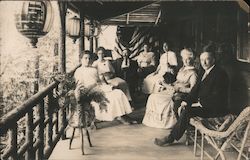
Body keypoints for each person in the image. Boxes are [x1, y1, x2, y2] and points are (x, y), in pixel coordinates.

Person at [154, 48, 230, 146]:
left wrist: (198, 103)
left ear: (213, 59)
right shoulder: (204, 71)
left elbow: (218, 97)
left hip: (214, 108)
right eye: (202, 60)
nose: (204, 62)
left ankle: (170, 138)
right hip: (204, 104)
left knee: (187, 111)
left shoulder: (220, 74)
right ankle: (187, 130)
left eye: (207, 59)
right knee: (179, 104)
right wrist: (187, 101)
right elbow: (195, 90)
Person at [74, 52, 133, 123]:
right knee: (112, 96)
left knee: (118, 92)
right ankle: (120, 116)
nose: (88, 60)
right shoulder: (79, 71)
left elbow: (99, 82)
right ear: (81, 59)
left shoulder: (93, 69)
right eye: (85, 58)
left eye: (89, 58)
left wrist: (108, 86)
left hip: (99, 87)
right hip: (90, 91)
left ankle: (122, 115)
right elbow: (79, 85)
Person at [172, 48, 198, 118]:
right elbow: (178, 80)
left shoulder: (193, 73)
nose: (186, 61)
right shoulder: (182, 69)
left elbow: (193, 90)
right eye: (184, 58)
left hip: (185, 94)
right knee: (155, 96)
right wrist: (171, 84)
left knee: (170, 101)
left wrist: (180, 89)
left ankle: (178, 123)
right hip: (175, 90)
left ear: (192, 59)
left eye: (188, 59)